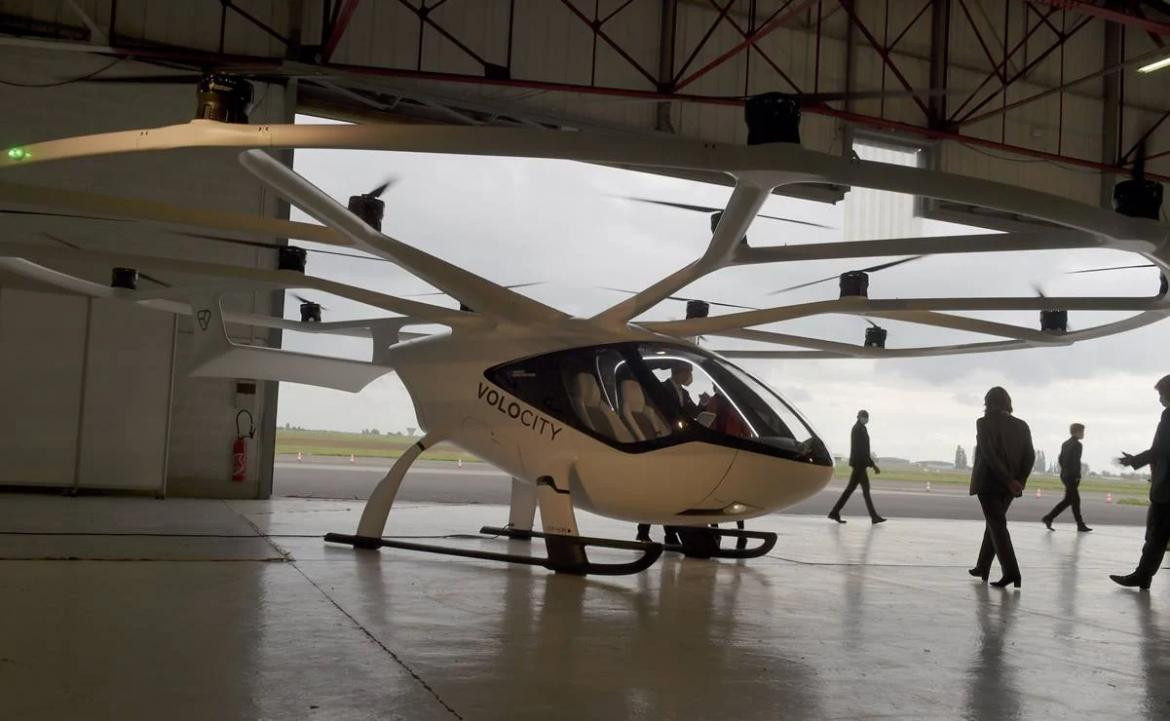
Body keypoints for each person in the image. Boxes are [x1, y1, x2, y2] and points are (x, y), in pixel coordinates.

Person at [968, 387, 1034, 589]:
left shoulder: (983, 423)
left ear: (988, 402)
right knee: (994, 524)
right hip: (1011, 487)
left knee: (997, 527)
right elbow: (1030, 456)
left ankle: (1012, 572)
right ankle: (982, 566)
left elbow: (989, 455)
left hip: (989, 483)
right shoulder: (1022, 425)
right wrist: (1018, 481)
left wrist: (1007, 480)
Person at [1110, 374, 1170, 590]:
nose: (1160, 399)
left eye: (1162, 394)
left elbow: (1160, 449)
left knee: (1156, 536)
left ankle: (1142, 576)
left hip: (1166, 490)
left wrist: (1133, 461)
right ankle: (1142, 575)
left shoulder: (1168, 415)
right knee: (1158, 536)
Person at [828, 410, 886, 524]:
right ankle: (873, 516)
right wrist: (873, 465)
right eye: (864, 417)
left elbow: (864, 449)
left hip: (860, 464)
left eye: (867, 417)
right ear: (859, 417)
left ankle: (835, 512)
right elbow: (862, 450)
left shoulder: (860, 428)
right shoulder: (858, 429)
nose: (866, 419)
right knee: (858, 490)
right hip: (859, 464)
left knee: (859, 490)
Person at [1042, 423, 1092, 532]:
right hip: (1072, 476)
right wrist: (1076, 475)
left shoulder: (1065, 443)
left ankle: (1050, 518)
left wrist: (1065, 470)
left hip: (1065, 475)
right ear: (1077, 432)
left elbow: (1061, 459)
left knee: (1070, 500)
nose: (1083, 434)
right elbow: (1075, 462)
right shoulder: (1078, 445)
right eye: (1082, 431)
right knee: (1074, 500)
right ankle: (1078, 524)